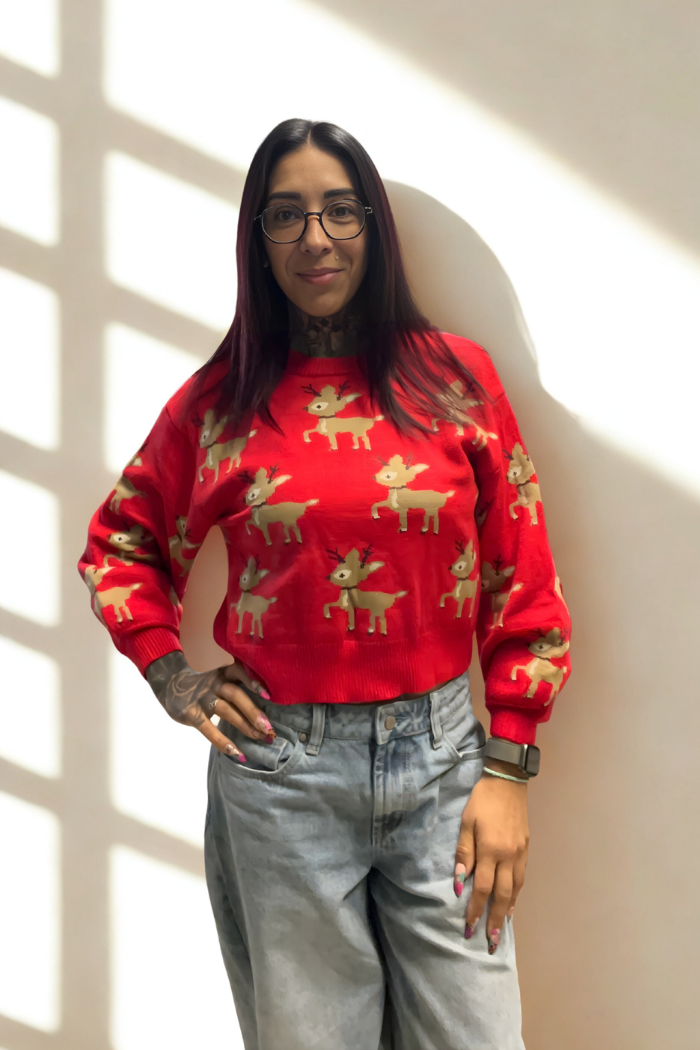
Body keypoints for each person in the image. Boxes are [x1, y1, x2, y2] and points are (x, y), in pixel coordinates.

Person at [78, 118, 571, 1050]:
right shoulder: (220, 402)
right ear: (258, 240)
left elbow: (522, 575)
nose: (316, 238)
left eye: (341, 210)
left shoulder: (454, 379)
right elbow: (121, 544)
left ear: (373, 226)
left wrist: (510, 763)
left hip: (444, 764)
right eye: (287, 215)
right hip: (281, 775)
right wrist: (172, 675)